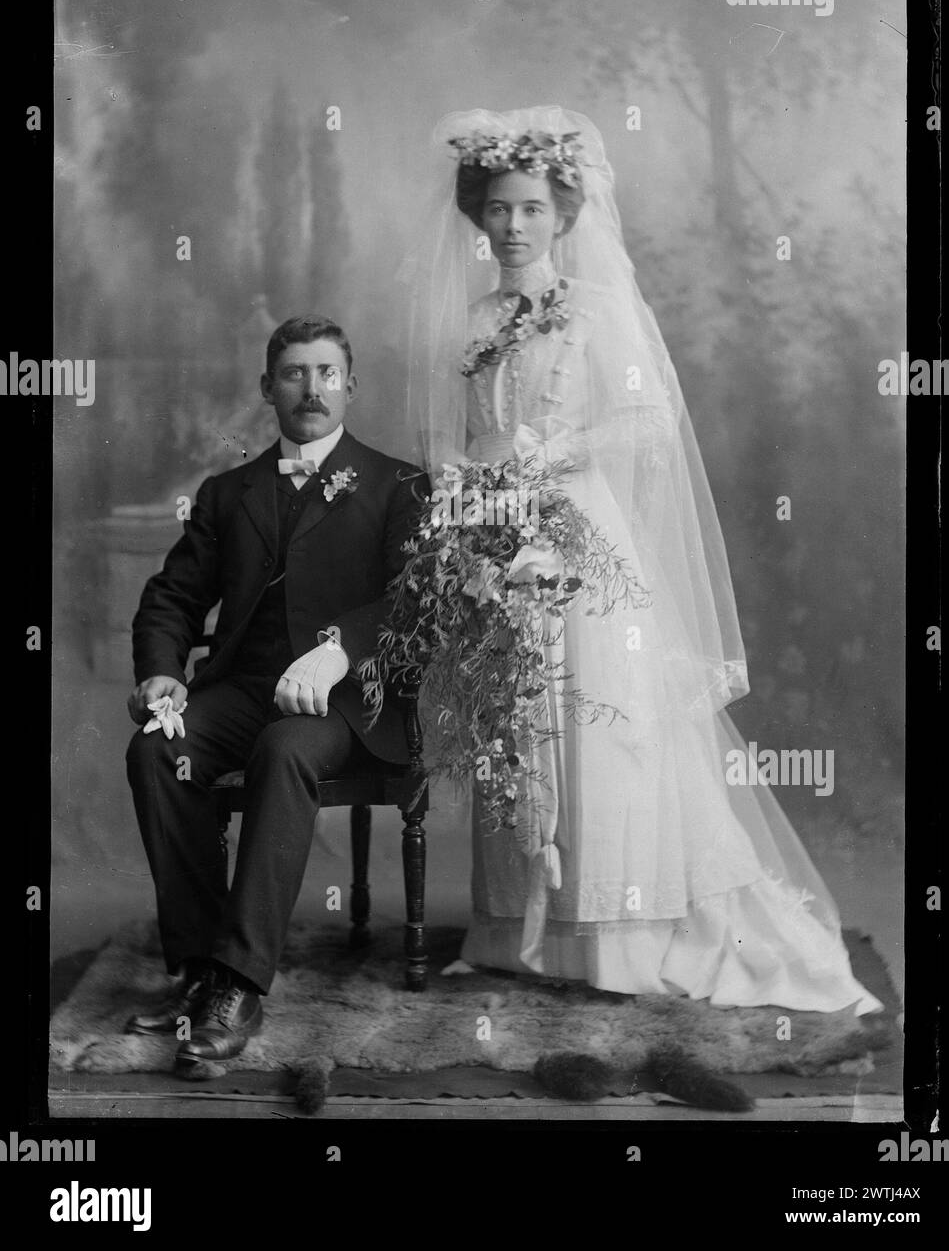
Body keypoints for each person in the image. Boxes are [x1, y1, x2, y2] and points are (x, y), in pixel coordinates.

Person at [405, 106, 881, 1013]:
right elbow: (465, 435)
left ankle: (613, 942)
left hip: (581, 534)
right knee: (515, 727)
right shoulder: (471, 324)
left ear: (565, 216)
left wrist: (547, 461)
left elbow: (646, 421)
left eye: (532, 209)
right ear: (478, 215)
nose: (513, 226)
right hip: (496, 541)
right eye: (499, 209)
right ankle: (517, 937)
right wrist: (471, 496)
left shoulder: (597, 312)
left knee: (598, 726)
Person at [125, 314, 429, 1074]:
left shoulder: (399, 485)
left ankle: (237, 984)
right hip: (245, 687)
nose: (312, 388)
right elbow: (171, 596)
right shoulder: (228, 492)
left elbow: (415, 604)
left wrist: (339, 653)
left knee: (285, 749)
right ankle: (197, 969)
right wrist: (162, 670)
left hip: (345, 702)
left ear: (351, 386)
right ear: (269, 388)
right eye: (294, 373)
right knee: (158, 748)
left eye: (327, 372)